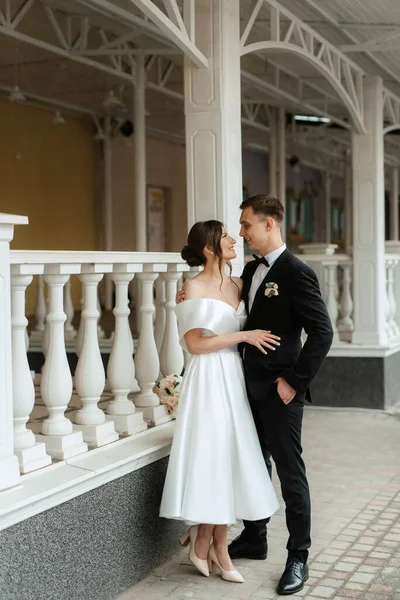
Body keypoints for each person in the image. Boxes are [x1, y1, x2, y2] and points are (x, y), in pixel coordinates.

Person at [159, 220, 280, 584]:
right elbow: (195, 344)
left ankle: (211, 541)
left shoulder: (240, 283)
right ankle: (211, 544)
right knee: (212, 455)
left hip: (233, 376)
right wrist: (243, 334)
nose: (233, 239)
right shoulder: (192, 286)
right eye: (226, 235)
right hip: (208, 377)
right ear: (210, 247)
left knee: (229, 457)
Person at [226, 194, 334, 595]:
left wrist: (294, 381)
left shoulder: (296, 272)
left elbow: (322, 333)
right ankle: (255, 537)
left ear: (269, 224)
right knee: (254, 464)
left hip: (279, 391)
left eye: (247, 224)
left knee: (290, 473)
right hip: (246, 387)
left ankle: (299, 556)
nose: (242, 232)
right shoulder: (252, 269)